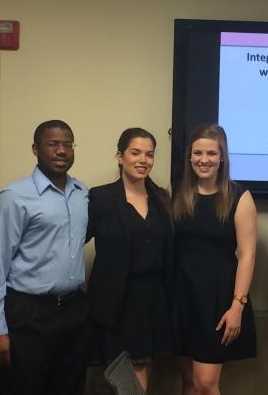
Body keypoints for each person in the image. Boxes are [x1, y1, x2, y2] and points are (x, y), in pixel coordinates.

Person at [0, 120, 90, 395]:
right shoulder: (14, 197)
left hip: (73, 313)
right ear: (35, 149)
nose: (62, 151)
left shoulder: (82, 194)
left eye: (68, 145)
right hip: (28, 314)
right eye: (53, 144)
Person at [86, 127, 174, 391]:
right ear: (120, 156)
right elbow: (72, 241)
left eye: (149, 154)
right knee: (124, 380)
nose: (142, 160)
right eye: (135, 153)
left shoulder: (161, 198)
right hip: (115, 303)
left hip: (152, 300)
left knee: (142, 374)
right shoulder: (100, 198)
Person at [172, 124, 257, 395]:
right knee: (188, 381)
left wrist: (237, 307)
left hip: (218, 300)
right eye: (198, 153)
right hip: (181, 297)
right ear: (190, 157)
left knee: (206, 383)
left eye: (211, 153)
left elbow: (247, 255)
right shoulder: (175, 192)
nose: (204, 159)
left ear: (222, 158)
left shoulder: (239, 197)